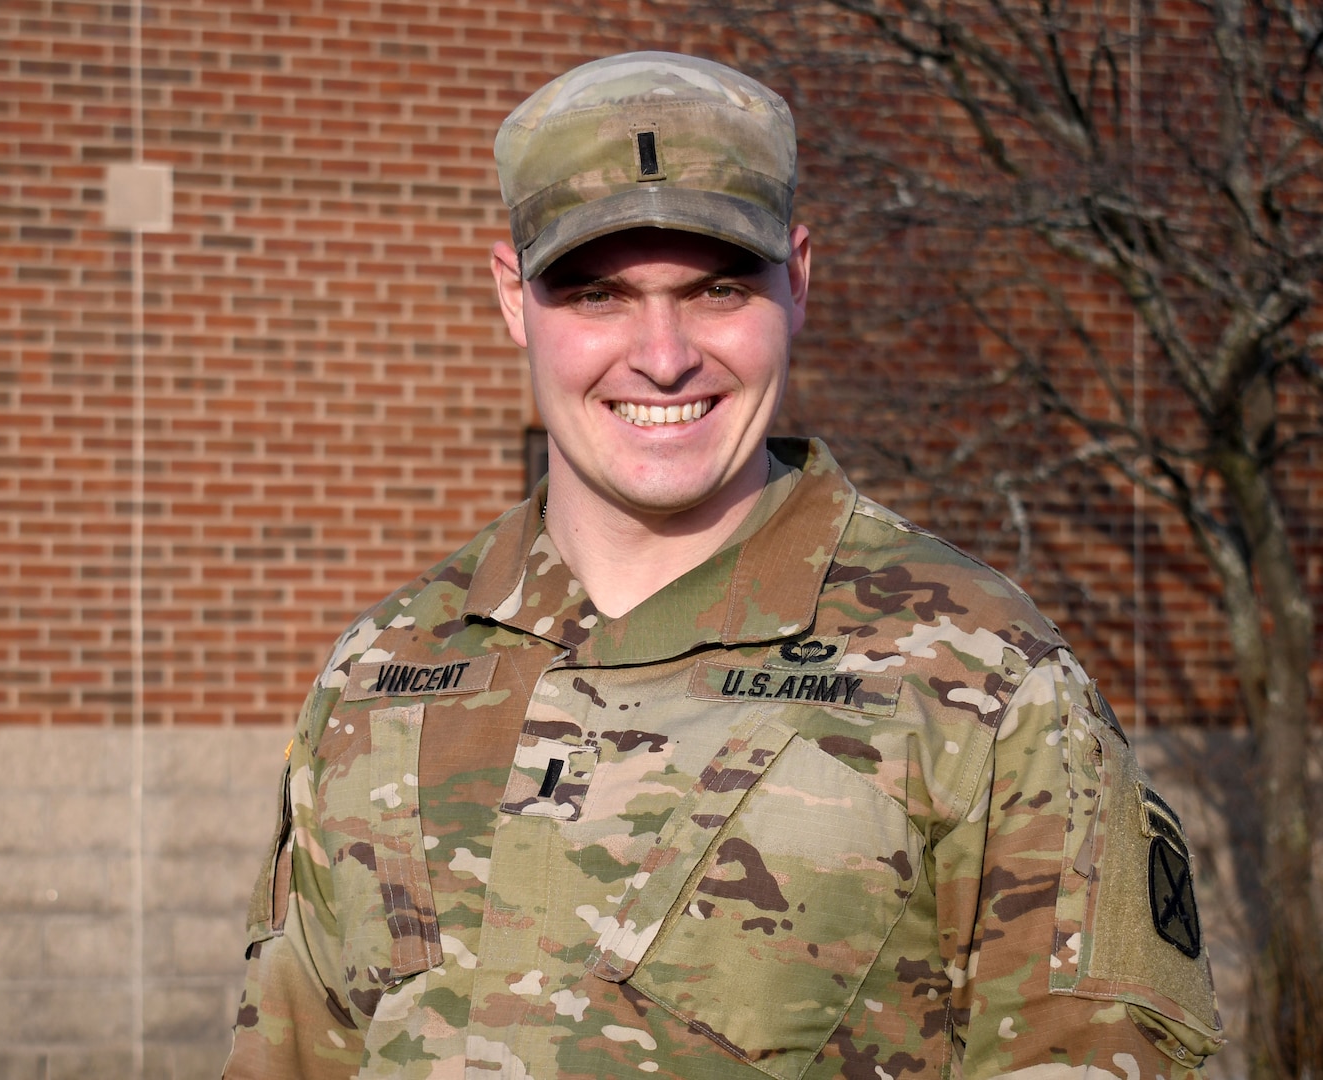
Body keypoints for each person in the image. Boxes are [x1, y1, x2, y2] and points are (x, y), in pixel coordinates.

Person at [222, 51, 1223, 1080]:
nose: (662, 355)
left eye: (717, 290)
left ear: (798, 281)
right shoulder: (380, 674)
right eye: (598, 295)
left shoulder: (980, 677)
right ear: (513, 297)